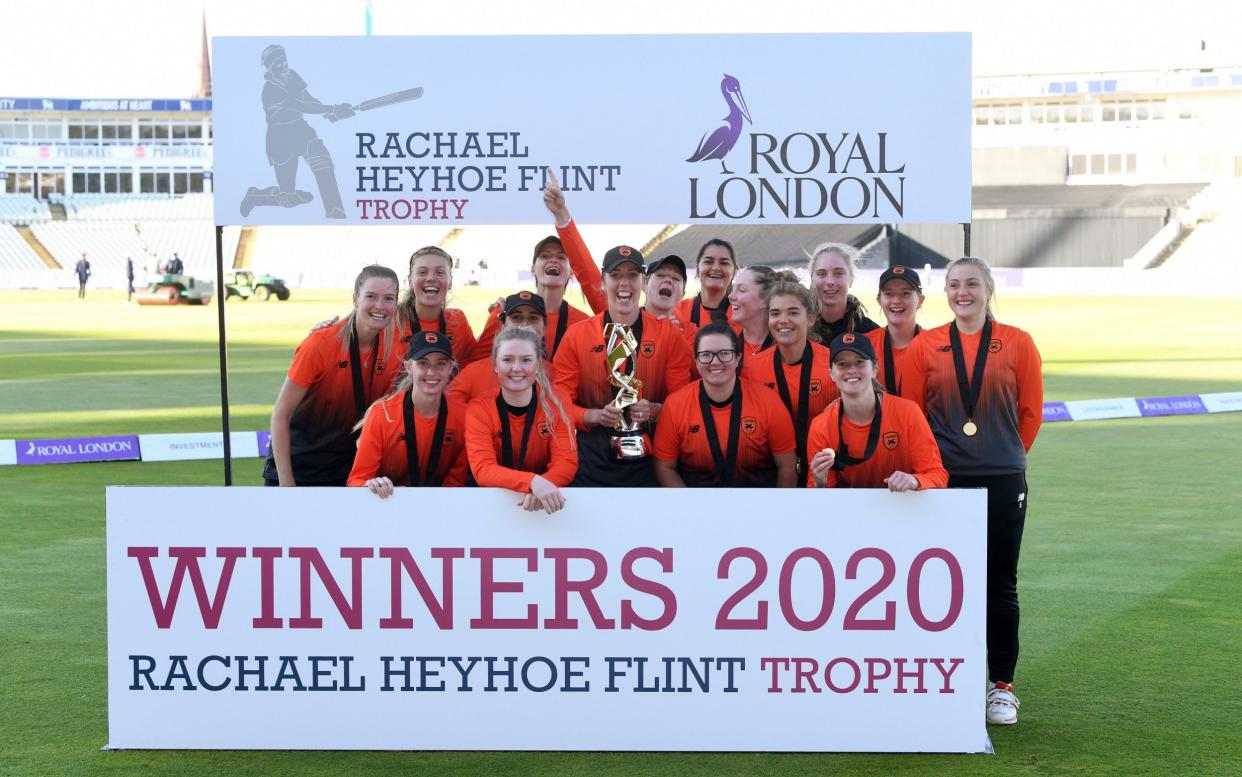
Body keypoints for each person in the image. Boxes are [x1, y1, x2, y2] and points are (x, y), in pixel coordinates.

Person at [902, 256, 1043, 726]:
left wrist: (1000, 455)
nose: (963, 292)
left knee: (1000, 583)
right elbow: (914, 414)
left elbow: (1030, 414)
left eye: (971, 284)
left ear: (988, 289)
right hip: (943, 481)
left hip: (1002, 478)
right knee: (941, 586)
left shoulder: (1018, 343)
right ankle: (945, 679)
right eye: (954, 284)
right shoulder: (928, 344)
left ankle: (1001, 686)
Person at [553, 245, 694, 486]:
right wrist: (592, 416)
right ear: (603, 281)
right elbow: (559, 402)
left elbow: (682, 400)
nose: (624, 283)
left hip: (651, 464)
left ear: (644, 282)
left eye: (632, 275)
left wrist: (656, 410)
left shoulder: (669, 336)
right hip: (591, 464)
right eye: (616, 275)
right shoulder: (577, 336)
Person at [265, 265, 403, 487]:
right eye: (371, 296)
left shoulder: (395, 345)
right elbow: (280, 414)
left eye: (388, 298)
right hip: (299, 469)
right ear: (355, 299)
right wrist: (286, 483)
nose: (380, 305)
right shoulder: (321, 344)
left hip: (346, 472)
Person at [471, 168, 607, 362]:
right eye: (545, 256)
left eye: (561, 257)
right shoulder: (506, 314)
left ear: (571, 271)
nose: (553, 260)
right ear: (533, 268)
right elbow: (475, 366)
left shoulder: (584, 323)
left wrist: (562, 214)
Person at [654, 323, 796, 487]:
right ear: (697, 361)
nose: (715, 362)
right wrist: (690, 507)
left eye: (724, 353)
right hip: (698, 507)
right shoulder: (675, 405)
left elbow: (788, 466)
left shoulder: (769, 402)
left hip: (757, 507)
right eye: (706, 355)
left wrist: (774, 510)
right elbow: (663, 466)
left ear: (738, 358)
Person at [806, 332, 946, 491]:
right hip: (852, 513)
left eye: (859, 362)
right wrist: (820, 482)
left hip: (902, 506)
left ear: (875, 369)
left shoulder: (908, 412)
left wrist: (915, 480)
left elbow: (937, 474)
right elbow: (821, 502)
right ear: (831, 373)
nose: (851, 370)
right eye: (842, 364)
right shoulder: (821, 426)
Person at [465, 327, 578, 513]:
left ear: (538, 364)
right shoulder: (479, 408)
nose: (516, 368)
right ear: (495, 365)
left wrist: (543, 486)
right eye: (507, 360)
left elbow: (566, 463)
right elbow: (483, 470)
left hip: (545, 501)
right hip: (492, 504)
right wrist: (532, 482)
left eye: (526, 360)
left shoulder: (558, 401)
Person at [348, 331, 470, 496]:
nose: (431, 372)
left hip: (439, 506)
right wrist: (372, 484)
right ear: (408, 367)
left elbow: (456, 484)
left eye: (440, 364)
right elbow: (356, 481)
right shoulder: (382, 415)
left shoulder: (464, 416)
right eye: (423, 363)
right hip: (388, 503)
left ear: (451, 367)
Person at [748, 280, 837, 485]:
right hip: (773, 473)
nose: (783, 320)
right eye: (775, 313)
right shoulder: (752, 369)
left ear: (811, 319)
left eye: (793, 312)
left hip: (826, 471)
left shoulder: (833, 364)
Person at [450, 291, 547, 404]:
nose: (524, 324)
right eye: (516, 317)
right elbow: (447, 410)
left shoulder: (553, 375)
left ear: (544, 329)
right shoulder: (473, 374)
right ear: (502, 325)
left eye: (533, 318)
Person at [400, 245, 477, 363]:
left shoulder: (458, 320)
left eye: (440, 272)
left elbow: (477, 361)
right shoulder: (391, 322)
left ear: (450, 281)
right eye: (422, 272)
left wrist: (500, 315)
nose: (431, 278)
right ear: (410, 281)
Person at [865, 265, 925, 398]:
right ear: (879, 300)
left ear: (920, 300)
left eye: (905, 293)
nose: (896, 301)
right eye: (888, 294)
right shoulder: (864, 346)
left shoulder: (934, 345)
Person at [807, 242, 879, 344]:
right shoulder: (800, 330)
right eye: (822, 274)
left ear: (851, 279)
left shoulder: (871, 333)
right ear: (812, 280)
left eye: (839, 273)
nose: (830, 282)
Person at [675, 238, 737, 334]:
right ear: (698, 268)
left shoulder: (743, 315)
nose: (716, 268)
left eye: (724, 263)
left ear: (734, 272)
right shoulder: (677, 312)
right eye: (708, 262)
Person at [727, 265, 785, 358]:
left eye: (742, 290)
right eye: (733, 289)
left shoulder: (788, 350)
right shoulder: (726, 345)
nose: (731, 296)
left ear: (765, 299)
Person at [642, 254, 693, 338]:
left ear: (682, 294)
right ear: (645, 284)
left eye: (676, 278)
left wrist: (677, 339)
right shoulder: (627, 324)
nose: (668, 280)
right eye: (660, 275)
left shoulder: (691, 333)